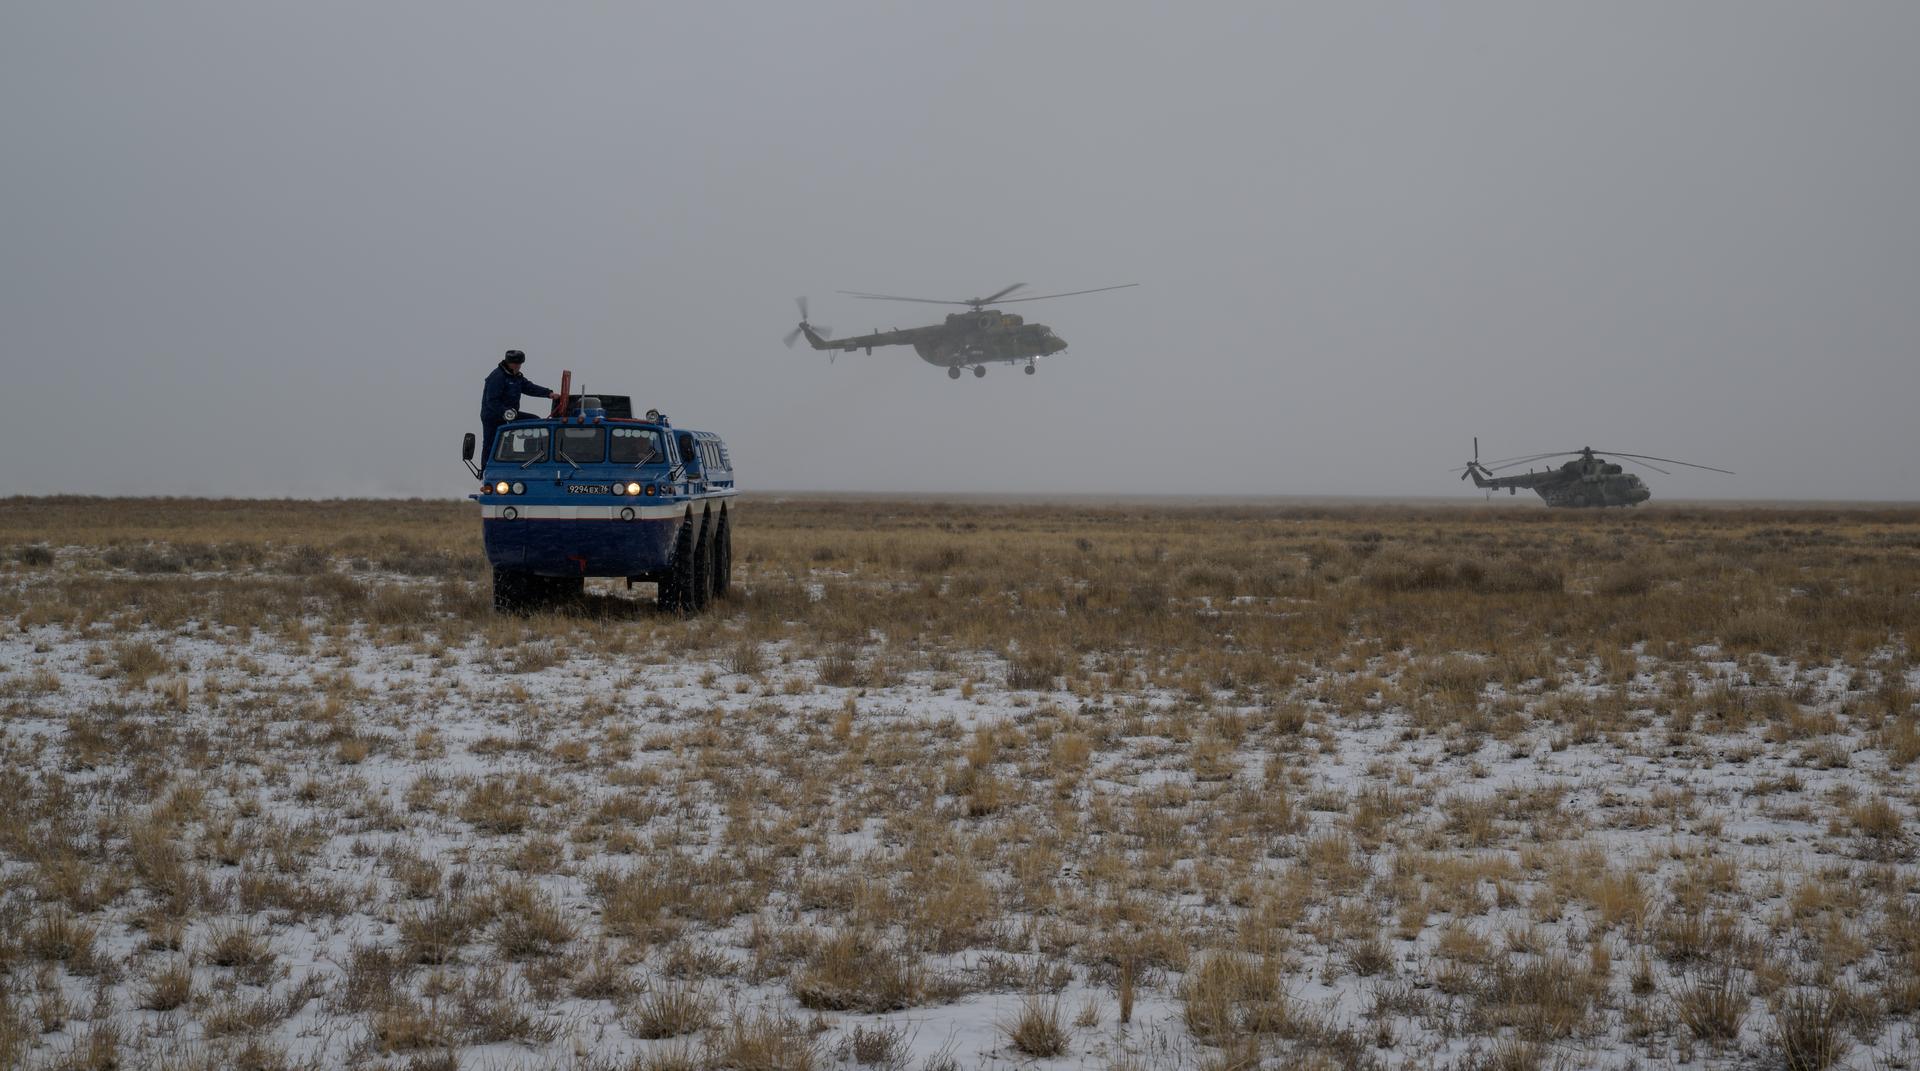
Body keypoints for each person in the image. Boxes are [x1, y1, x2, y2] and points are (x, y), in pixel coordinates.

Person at [480, 350, 555, 460]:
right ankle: (486, 467)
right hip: (493, 416)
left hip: (511, 414)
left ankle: (533, 455)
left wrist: (548, 393)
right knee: (491, 442)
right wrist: (505, 411)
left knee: (534, 421)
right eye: (514, 364)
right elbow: (492, 400)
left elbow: (529, 387)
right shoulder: (497, 377)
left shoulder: (516, 377)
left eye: (519, 364)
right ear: (508, 362)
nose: (517, 366)